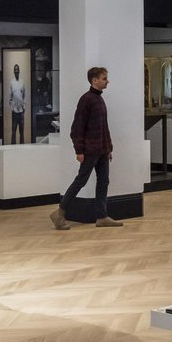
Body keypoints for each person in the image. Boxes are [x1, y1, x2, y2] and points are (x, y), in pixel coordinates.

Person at [51, 66, 121, 229]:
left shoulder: (99, 99)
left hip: (102, 150)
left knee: (103, 181)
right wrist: (79, 150)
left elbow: (104, 126)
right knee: (80, 181)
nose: (107, 81)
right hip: (90, 150)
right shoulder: (86, 100)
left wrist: (108, 148)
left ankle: (102, 216)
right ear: (94, 80)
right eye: (104, 78)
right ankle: (59, 213)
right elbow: (77, 128)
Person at [8, 62, 27, 144]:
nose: (16, 71)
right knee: (13, 131)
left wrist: (24, 107)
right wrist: (12, 108)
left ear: (19, 71)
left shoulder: (22, 82)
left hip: (21, 111)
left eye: (17, 70)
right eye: (15, 70)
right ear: (13, 71)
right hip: (15, 111)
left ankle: (22, 148)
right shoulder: (11, 82)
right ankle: (13, 147)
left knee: (22, 132)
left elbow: (25, 95)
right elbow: (10, 96)